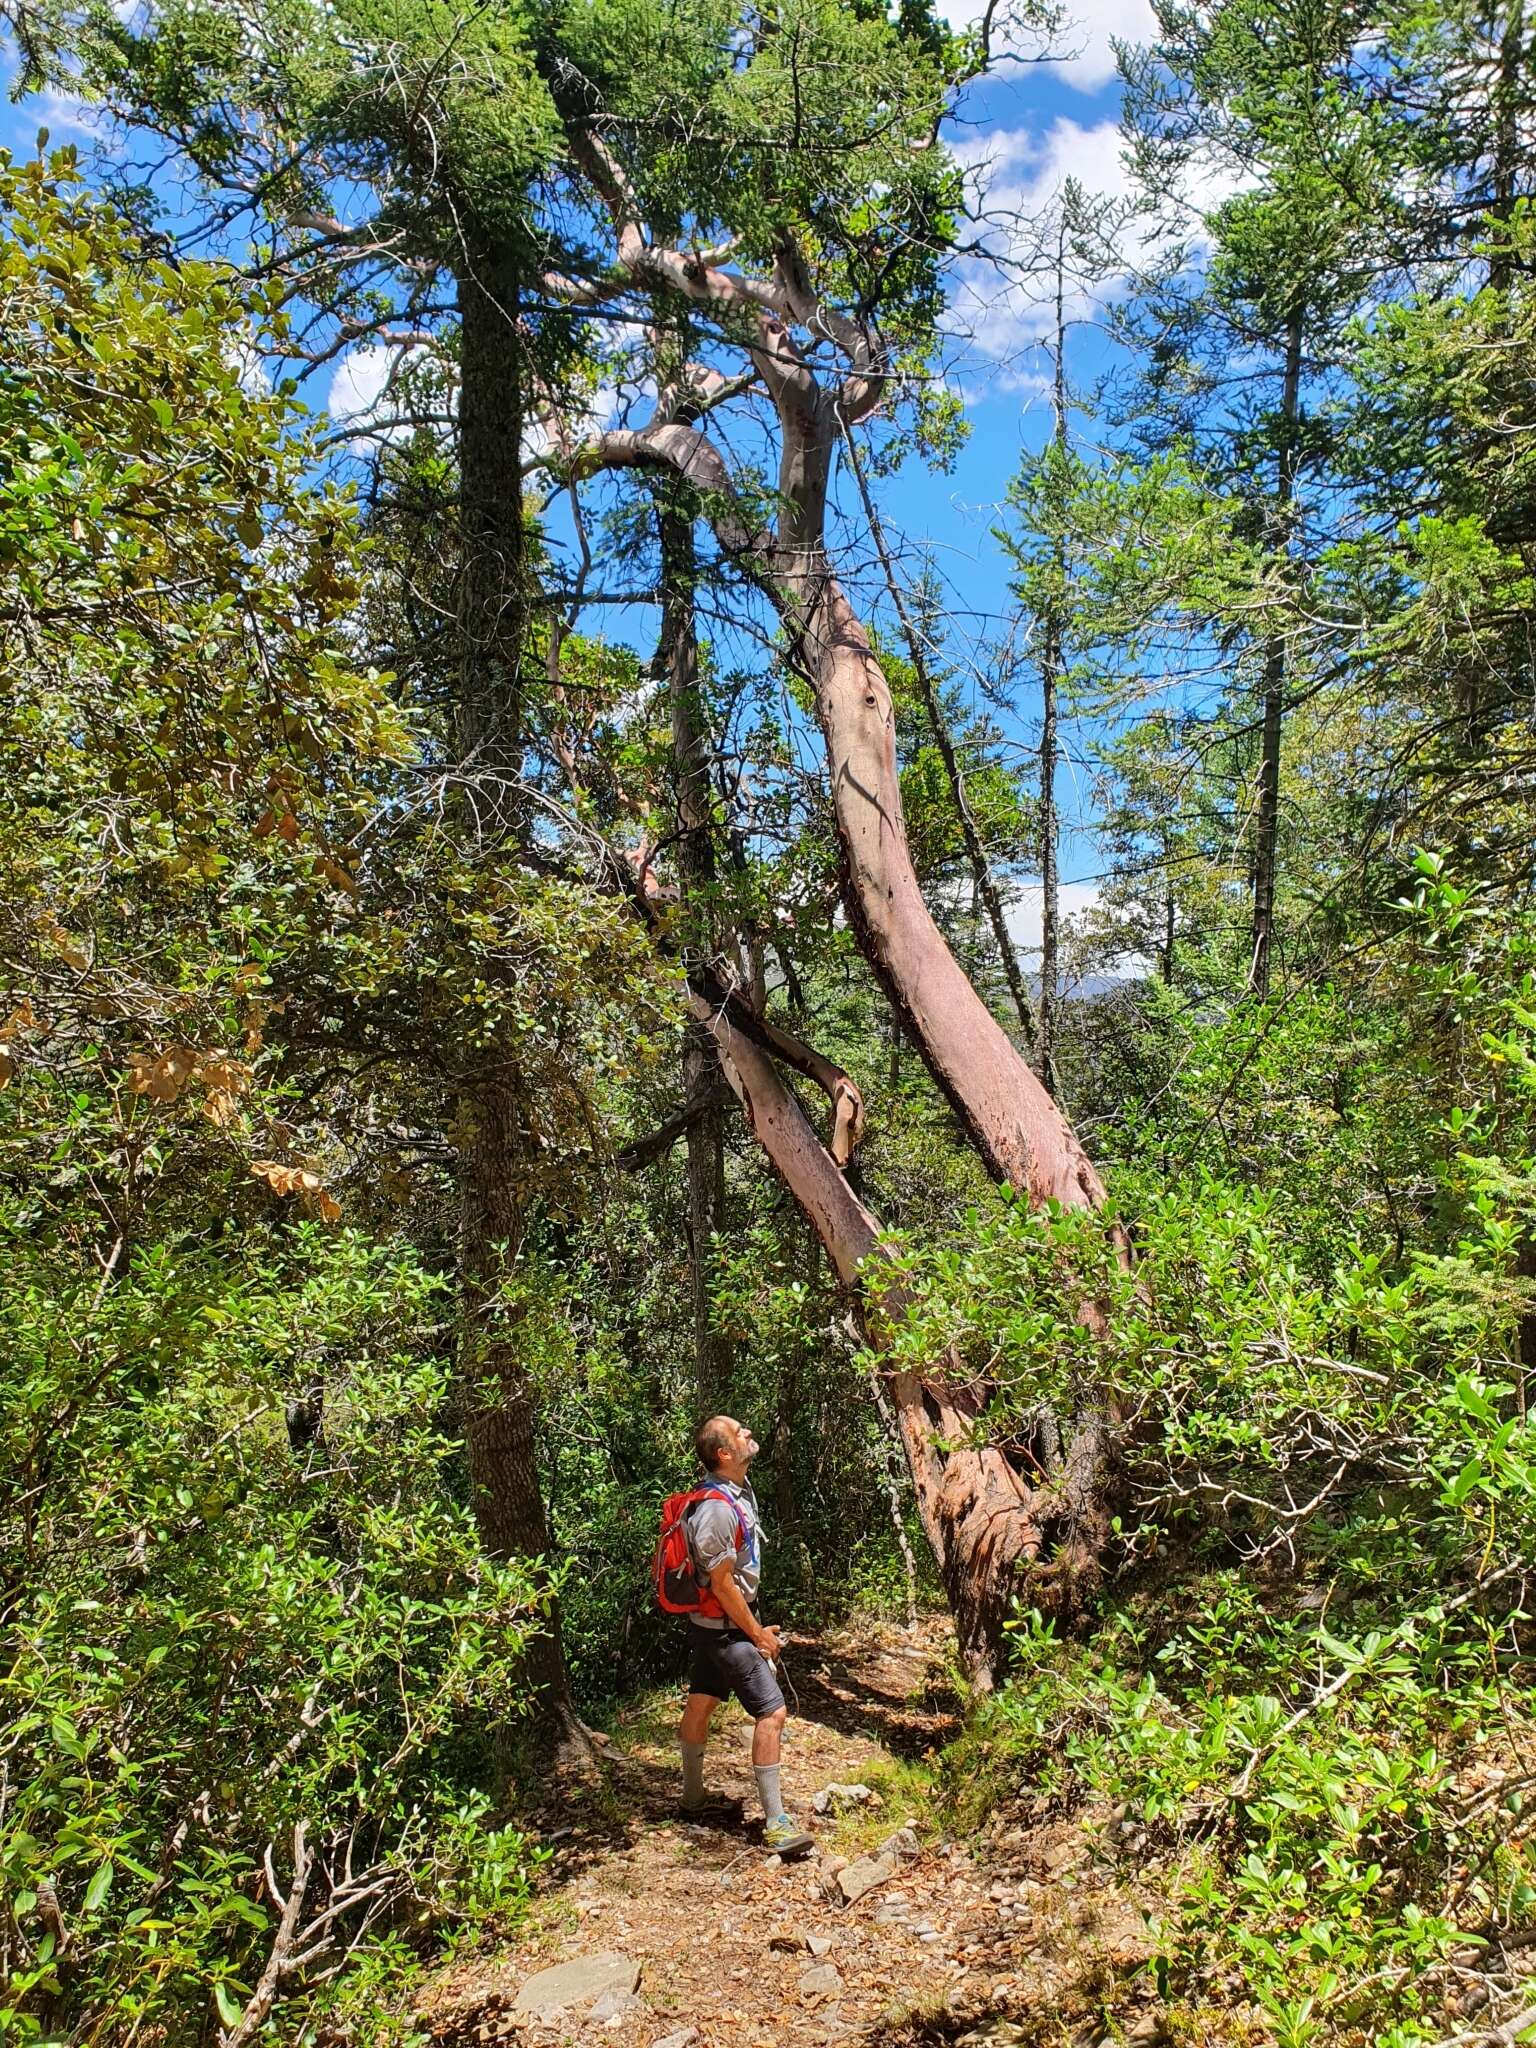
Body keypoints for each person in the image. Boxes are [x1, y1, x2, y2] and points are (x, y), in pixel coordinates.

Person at [676, 1414, 813, 1855]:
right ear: (724, 1453)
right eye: (740, 1433)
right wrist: (756, 1634)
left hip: (711, 1627)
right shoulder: (716, 1507)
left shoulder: (732, 1492)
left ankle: (693, 1800)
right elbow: (721, 1584)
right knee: (772, 1713)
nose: (749, 1433)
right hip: (726, 1630)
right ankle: (776, 1824)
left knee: (702, 1700)